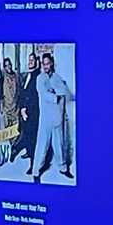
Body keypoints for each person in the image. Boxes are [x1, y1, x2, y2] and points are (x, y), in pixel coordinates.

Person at [34, 50, 74, 180]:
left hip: (57, 117)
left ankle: (63, 168)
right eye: (43, 64)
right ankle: (36, 172)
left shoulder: (56, 77)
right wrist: (55, 95)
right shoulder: (40, 78)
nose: (46, 66)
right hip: (46, 119)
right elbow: (45, 94)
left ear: (51, 63)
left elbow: (63, 91)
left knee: (59, 145)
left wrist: (55, 93)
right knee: (42, 146)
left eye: (47, 64)